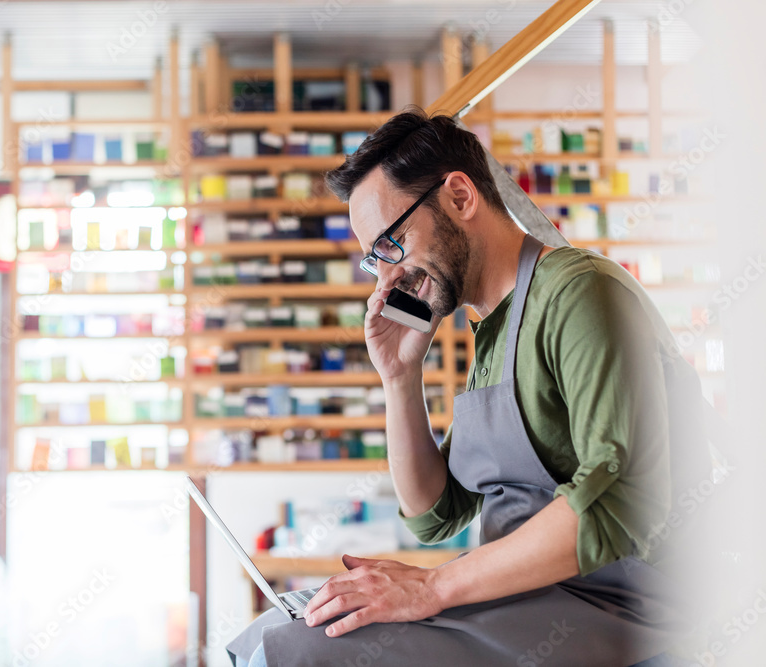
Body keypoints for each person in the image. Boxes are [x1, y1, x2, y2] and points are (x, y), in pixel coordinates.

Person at [226, 108, 702, 666]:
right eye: (373, 259)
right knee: (274, 627)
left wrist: (431, 589)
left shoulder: (580, 295)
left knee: (302, 650)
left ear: (459, 196)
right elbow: (435, 513)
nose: (387, 278)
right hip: (525, 599)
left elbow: (621, 501)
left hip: (619, 607)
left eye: (391, 243)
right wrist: (399, 378)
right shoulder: (493, 327)